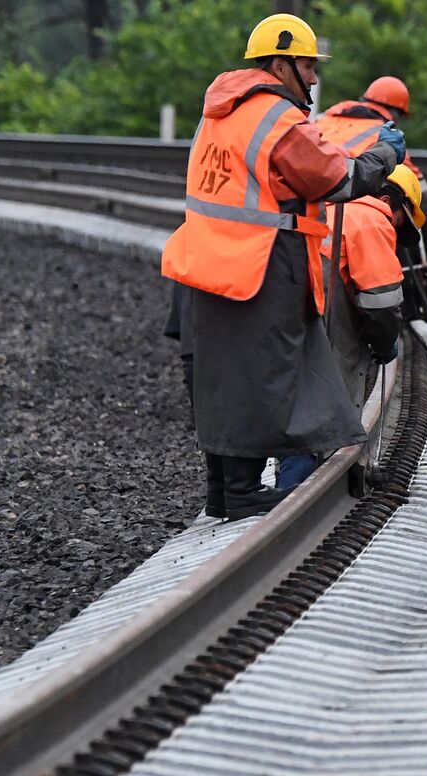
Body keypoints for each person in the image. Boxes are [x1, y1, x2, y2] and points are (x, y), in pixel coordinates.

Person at [160, 13, 405, 521]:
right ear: (280, 62)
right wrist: (384, 155)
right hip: (260, 261)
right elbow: (336, 180)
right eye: (309, 65)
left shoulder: (218, 110)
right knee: (262, 374)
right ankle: (245, 491)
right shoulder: (276, 118)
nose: (314, 78)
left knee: (222, 375)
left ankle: (224, 490)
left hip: (207, 255)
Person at [317, 76, 427, 271]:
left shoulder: (320, 120)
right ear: (395, 113)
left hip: (308, 214)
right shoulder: (386, 139)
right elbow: (420, 196)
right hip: (352, 221)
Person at [323, 164, 426, 408]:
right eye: (401, 219)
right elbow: (382, 303)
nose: (396, 228)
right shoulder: (372, 219)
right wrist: (383, 343)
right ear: (386, 200)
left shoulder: (327, 206)